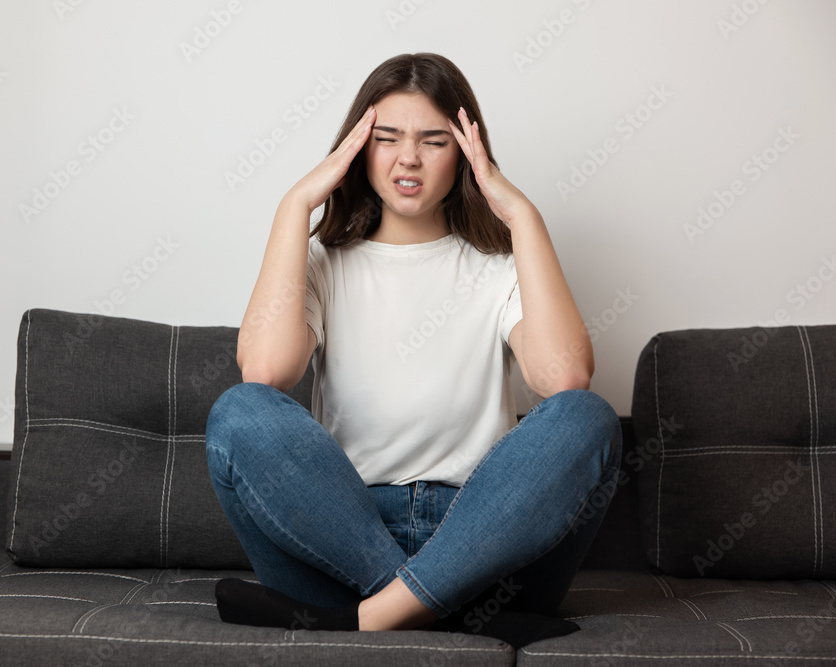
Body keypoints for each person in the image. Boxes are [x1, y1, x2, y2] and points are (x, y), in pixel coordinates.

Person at [205, 52, 622, 645]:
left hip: (484, 544)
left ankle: (379, 616)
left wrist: (523, 216)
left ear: (465, 155)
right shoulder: (323, 265)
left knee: (588, 417)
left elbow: (565, 376)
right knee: (238, 412)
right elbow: (266, 370)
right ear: (356, 149)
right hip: (340, 543)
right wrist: (294, 207)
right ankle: (443, 613)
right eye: (387, 138)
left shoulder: (500, 269)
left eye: (433, 140)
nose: (409, 158)